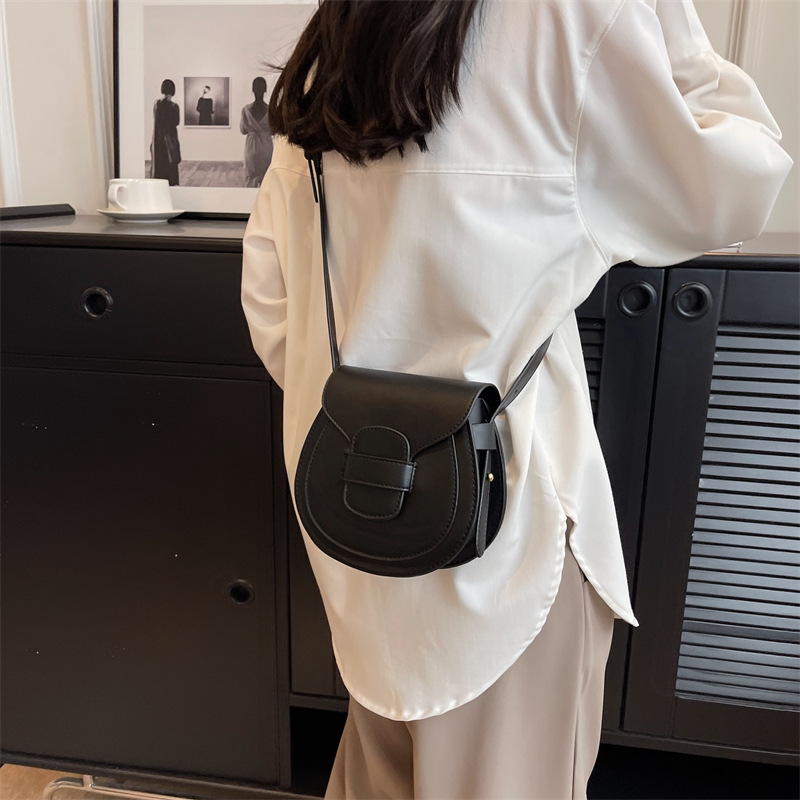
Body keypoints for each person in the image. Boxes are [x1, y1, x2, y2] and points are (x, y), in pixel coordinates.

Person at [241, 1, 791, 797]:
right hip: (507, 543)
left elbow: (271, 304)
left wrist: (383, 408)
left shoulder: (339, 33)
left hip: (361, 533)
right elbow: (735, 189)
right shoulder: (575, 14)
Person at [240, 77, 273, 188]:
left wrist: (253, 129)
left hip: (251, 146)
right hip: (266, 147)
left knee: (250, 177)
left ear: (253, 90)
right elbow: (274, 130)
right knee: (267, 178)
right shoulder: (270, 109)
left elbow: (243, 130)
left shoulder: (245, 110)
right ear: (265, 90)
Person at [150, 79, 181, 186]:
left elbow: (157, 121)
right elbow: (176, 122)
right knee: (171, 164)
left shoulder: (157, 104)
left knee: (160, 164)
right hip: (170, 139)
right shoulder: (174, 106)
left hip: (158, 140)